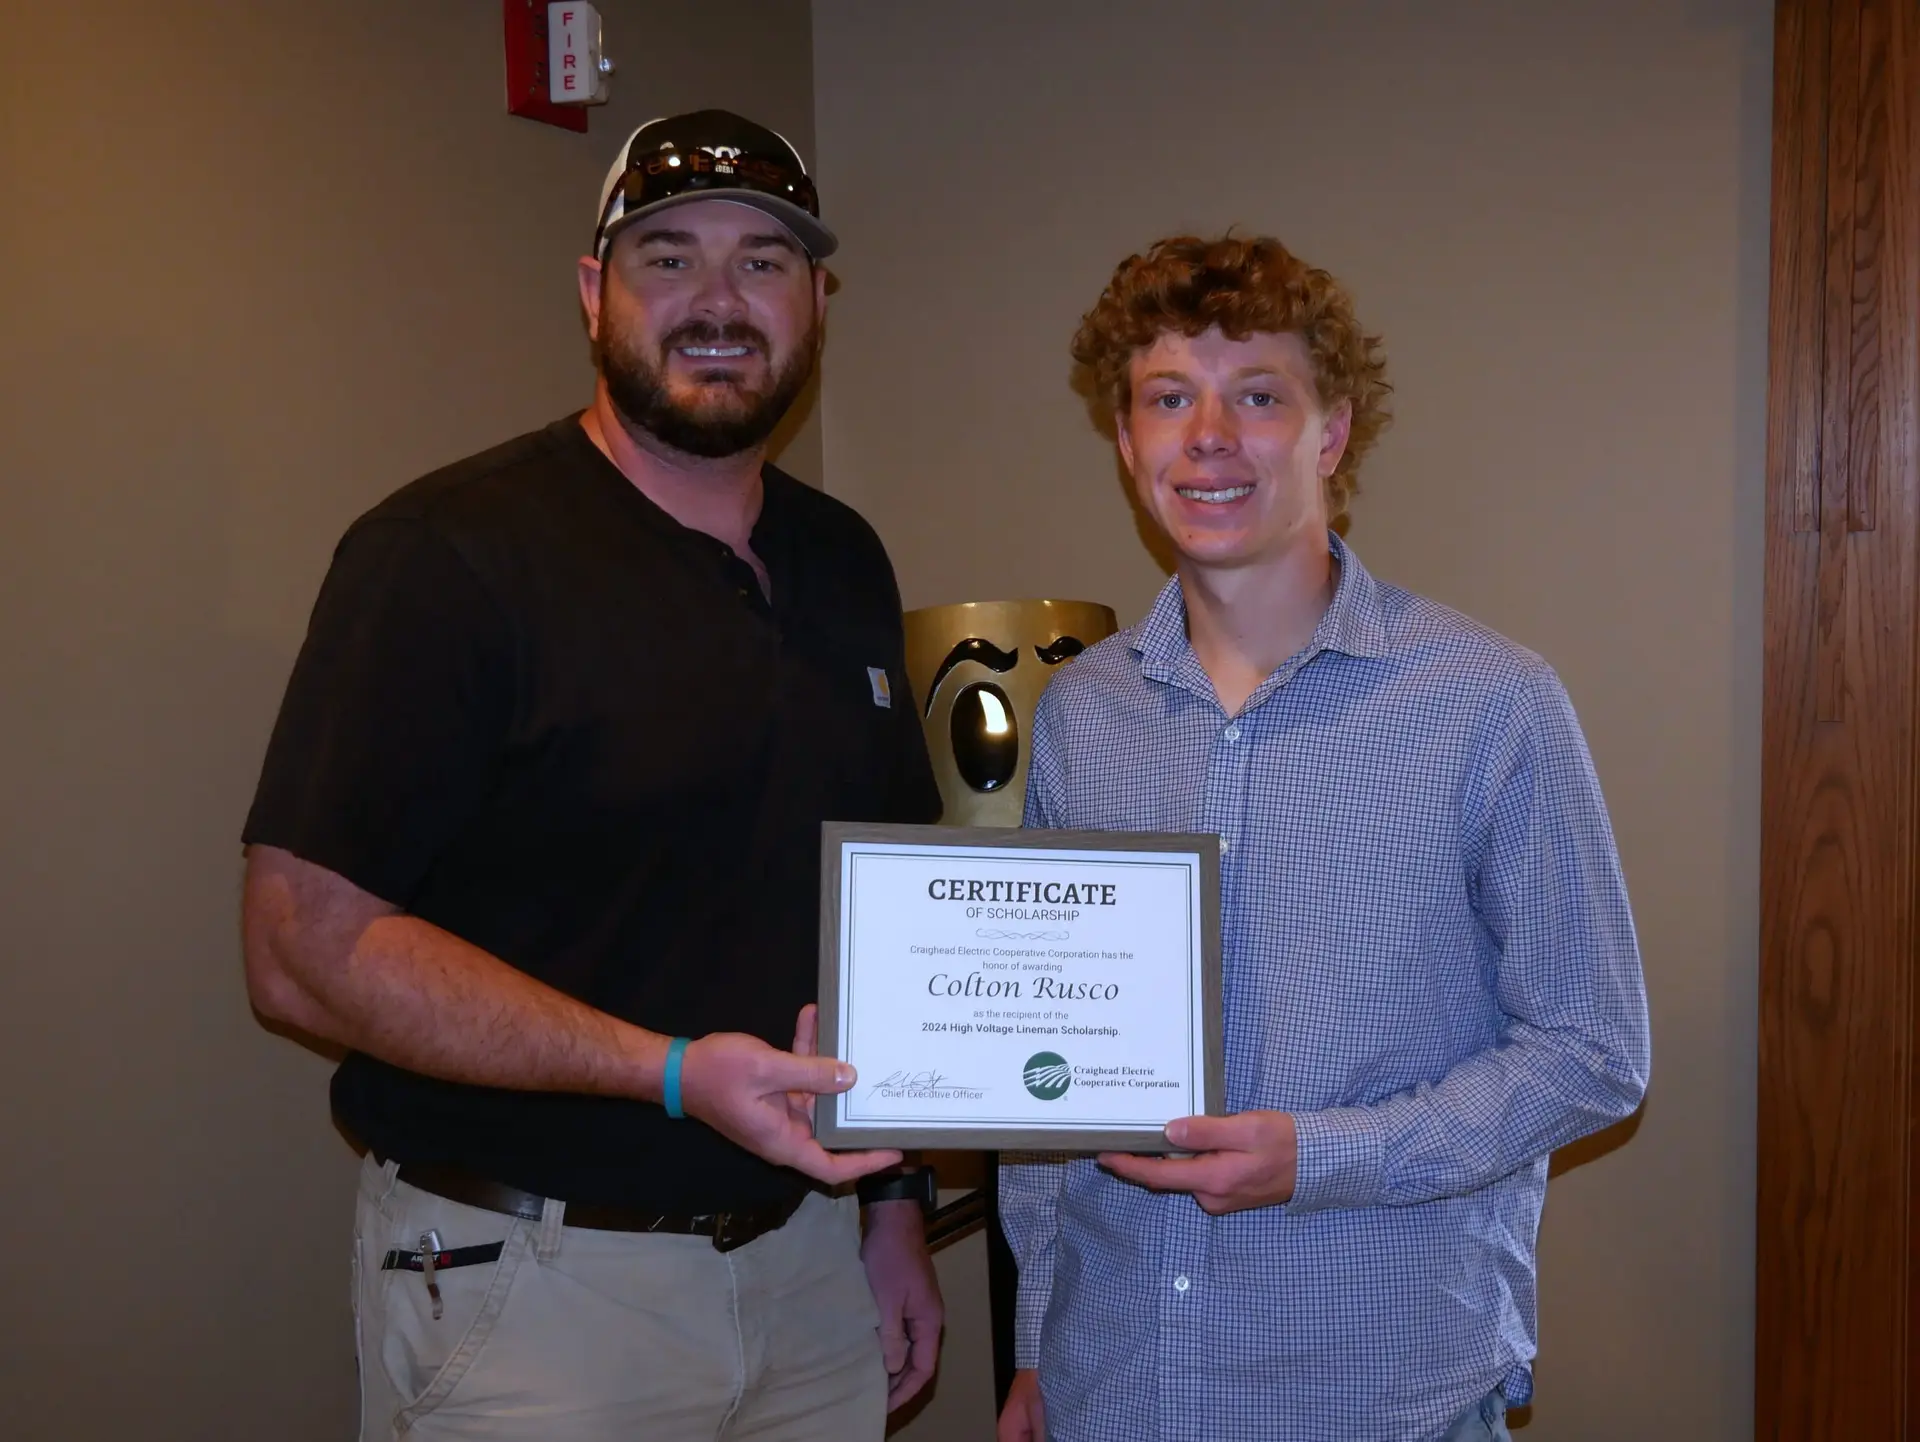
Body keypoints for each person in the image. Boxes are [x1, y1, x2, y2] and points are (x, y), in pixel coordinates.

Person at [241, 109, 944, 1442]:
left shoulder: (845, 560)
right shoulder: (448, 554)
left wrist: (892, 1213)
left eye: (764, 263)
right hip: (539, 1295)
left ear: (816, 303)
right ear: (592, 293)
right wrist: (669, 1072)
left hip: (807, 1274)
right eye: (668, 258)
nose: (719, 302)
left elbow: (882, 919)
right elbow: (296, 948)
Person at [996, 234, 1652, 1442]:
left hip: (1383, 1394)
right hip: (1119, 1384)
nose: (1209, 436)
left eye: (1259, 396)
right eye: (1167, 398)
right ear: (1128, 439)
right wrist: (1039, 1339)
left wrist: (1324, 1153)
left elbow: (1595, 1047)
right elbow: (1049, 1066)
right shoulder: (1085, 714)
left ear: (1332, 433)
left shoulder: (1488, 701)